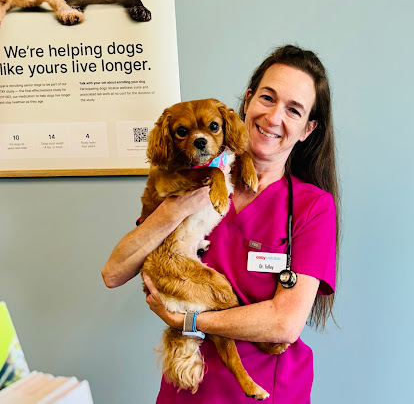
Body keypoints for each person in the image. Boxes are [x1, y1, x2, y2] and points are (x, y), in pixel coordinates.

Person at [101, 44, 340, 403]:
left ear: (307, 130)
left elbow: (285, 324)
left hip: (266, 391)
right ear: (247, 101)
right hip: (187, 389)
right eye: (267, 98)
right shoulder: (189, 185)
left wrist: (189, 322)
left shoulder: (312, 207)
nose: (274, 118)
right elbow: (114, 273)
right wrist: (173, 210)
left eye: (293, 110)